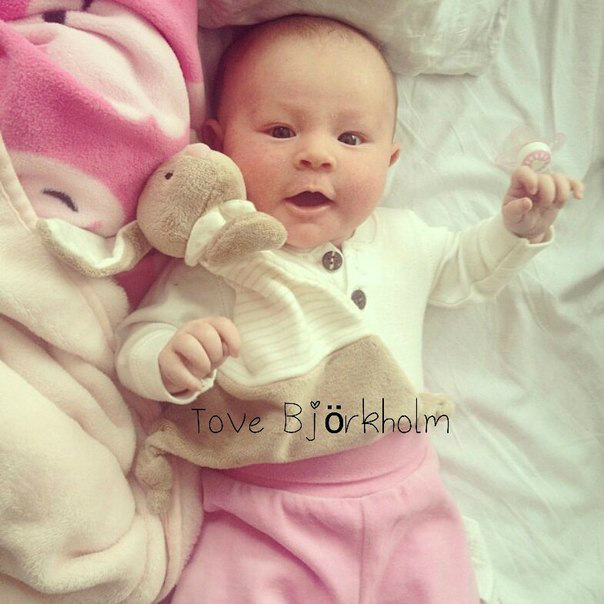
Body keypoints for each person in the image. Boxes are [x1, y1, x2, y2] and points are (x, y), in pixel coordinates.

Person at [115, 15, 583, 604]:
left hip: (407, 502)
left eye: (351, 139)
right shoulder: (223, 258)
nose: (316, 155)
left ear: (390, 160)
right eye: (281, 130)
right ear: (220, 143)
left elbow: (465, 269)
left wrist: (515, 230)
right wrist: (167, 357)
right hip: (265, 510)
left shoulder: (405, 239)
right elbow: (138, 337)